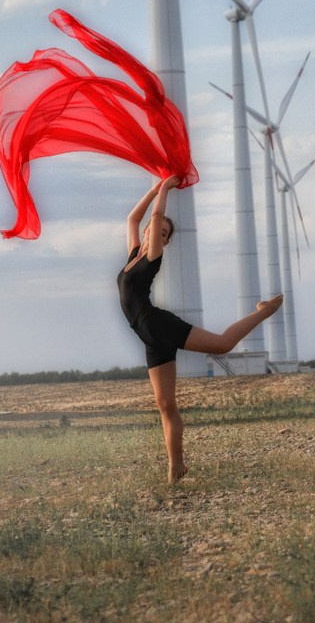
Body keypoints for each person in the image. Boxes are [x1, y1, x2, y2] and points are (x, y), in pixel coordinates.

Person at [117, 176, 283, 484]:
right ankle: (175, 467)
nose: (160, 233)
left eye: (165, 234)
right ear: (146, 233)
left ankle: (265, 311)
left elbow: (152, 216)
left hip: (159, 326)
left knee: (221, 345)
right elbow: (134, 217)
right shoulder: (133, 255)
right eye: (158, 231)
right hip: (150, 339)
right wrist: (154, 189)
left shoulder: (153, 257)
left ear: (164, 242)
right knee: (165, 404)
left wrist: (165, 189)